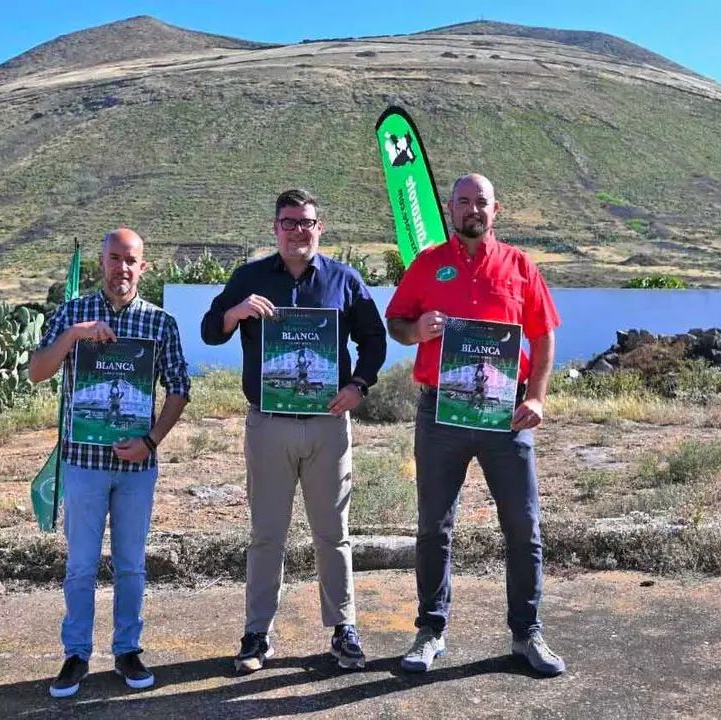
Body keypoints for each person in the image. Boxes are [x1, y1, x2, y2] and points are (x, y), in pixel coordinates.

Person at [385, 173, 566, 676]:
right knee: (434, 528)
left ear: (495, 210)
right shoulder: (427, 265)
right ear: (450, 208)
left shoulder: (519, 266)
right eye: (463, 201)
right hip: (440, 413)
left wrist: (537, 397)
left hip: (505, 416)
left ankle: (527, 635)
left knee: (523, 528)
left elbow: (544, 337)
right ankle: (430, 630)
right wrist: (415, 330)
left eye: (480, 202)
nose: (472, 210)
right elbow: (395, 322)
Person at [201, 189, 387, 673]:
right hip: (269, 425)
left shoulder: (344, 280)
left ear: (319, 228)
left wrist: (359, 386)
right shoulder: (250, 277)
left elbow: (373, 339)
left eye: (306, 222)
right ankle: (256, 634)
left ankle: (344, 629)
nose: (297, 231)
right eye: (288, 222)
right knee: (266, 535)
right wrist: (236, 312)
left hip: (328, 425)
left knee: (334, 534)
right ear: (275, 228)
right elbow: (208, 329)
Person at [30, 228, 191, 697]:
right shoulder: (71, 312)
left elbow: (179, 389)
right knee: (80, 565)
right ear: (102, 262)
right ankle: (76, 655)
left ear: (144, 267)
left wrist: (151, 440)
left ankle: (127, 650)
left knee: (130, 564)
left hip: (137, 468)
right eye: (114, 258)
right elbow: (38, 371)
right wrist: (75, 336)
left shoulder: (160, 323)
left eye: (131, 260)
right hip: (82, 462)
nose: (122, 268)